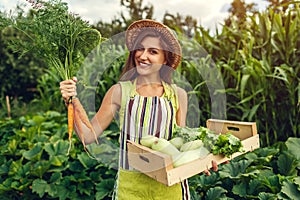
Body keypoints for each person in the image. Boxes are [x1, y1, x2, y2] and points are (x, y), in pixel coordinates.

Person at [60, 19, 217, 200]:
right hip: (131, 188)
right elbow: (88, 136)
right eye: (140, 49)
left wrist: (202, 158)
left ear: (165, 58)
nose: (142, 56)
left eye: (153, 51)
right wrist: (72, 101)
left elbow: (180, 141)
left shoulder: (178, 94)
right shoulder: (119, 91)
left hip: (170, 188)